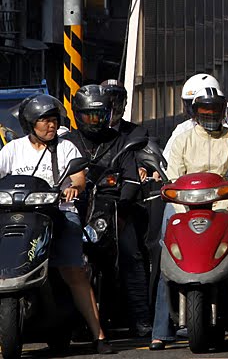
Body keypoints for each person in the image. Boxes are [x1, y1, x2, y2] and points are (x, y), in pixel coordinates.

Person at [0, 94, 116, 354]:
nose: (51, 126)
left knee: (73, 271)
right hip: (17, 217)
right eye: (45, 121)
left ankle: (98, 336)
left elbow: (79, 179)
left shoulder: (66, 148)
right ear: (31, 123)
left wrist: (73, 189)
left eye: (54, 121)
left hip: (60, 214)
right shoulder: (13, 149)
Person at [151, 87, 228, 350]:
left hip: (222, 210)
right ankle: (161, 330)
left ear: (223, 112)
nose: (210, 116)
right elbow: (172, 178)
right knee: (166, 259)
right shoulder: (183, 140)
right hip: (183, 210)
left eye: (215, 111)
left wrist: (221, 208)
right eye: (204, 112)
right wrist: (183, 207)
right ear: (195, 113)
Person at [65, 84, 151, 337]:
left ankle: (140, 318)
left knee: (131, 254)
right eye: (88, 115)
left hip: (113, 208)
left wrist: (122, 208)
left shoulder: (122, 141)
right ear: (77, 114)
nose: (94, 121)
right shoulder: (67, 142)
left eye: (99, 115)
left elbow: (132, 180)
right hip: (74, 208)